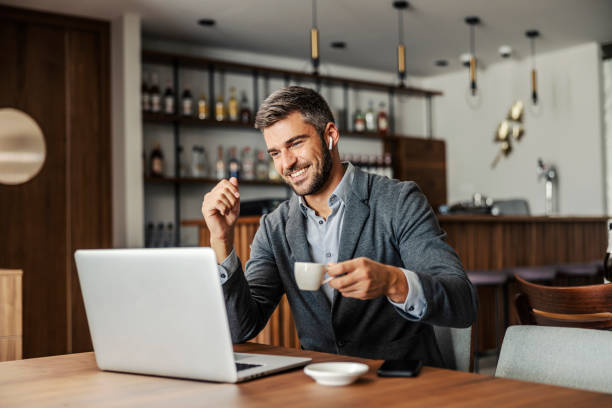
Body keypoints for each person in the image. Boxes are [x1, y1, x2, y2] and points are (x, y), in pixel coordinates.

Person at [201, 86, 477, 366]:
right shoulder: (275, 227)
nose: (286, 163)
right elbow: (240, 329)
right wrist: (220, 239)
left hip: (402, 382)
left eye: (295, 143)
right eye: (275, 153)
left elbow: (462, 302)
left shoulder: (398, 200)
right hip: (319, 384)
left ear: (330, 135)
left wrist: (393, 281)